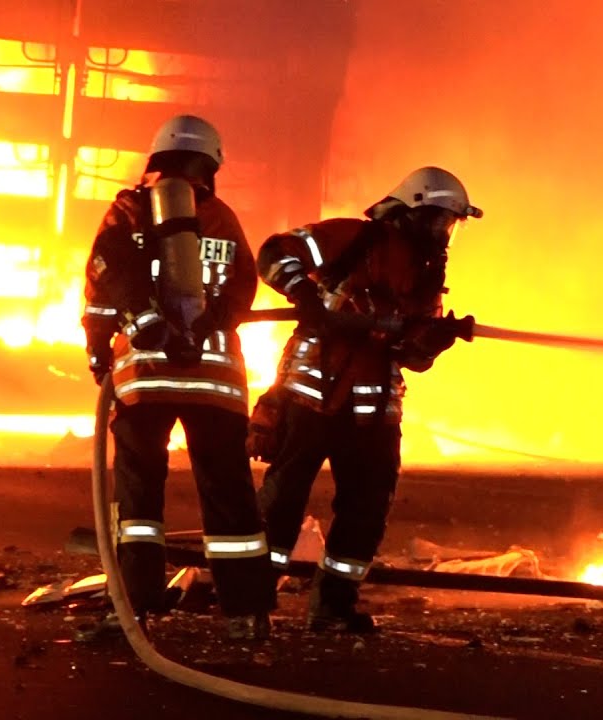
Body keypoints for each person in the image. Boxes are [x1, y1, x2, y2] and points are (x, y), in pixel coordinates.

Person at [248, 166, 479, 632]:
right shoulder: (353, 239)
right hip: (312, 400)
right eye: (437, 219)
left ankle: (333, 607)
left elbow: (408, 356)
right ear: (411, 209)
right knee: (282, 504)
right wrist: (304, 295)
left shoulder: (429, 272)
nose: (442, 232)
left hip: (373, 416)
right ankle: (250, 601)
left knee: (367, 510)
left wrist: (433, 340)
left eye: (449, 224)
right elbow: (274, 254)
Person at [81, 114, 274, 640]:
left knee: (139, 502)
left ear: (155, 160)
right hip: (215, 385)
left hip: (146, 378)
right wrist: (212, 322)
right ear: (210, 165)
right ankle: (247, 614)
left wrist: (100, 351)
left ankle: (130, 611)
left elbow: (104, 278)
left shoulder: (128, 210)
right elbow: (243, 287)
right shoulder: (222, 218)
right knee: (229, 497)